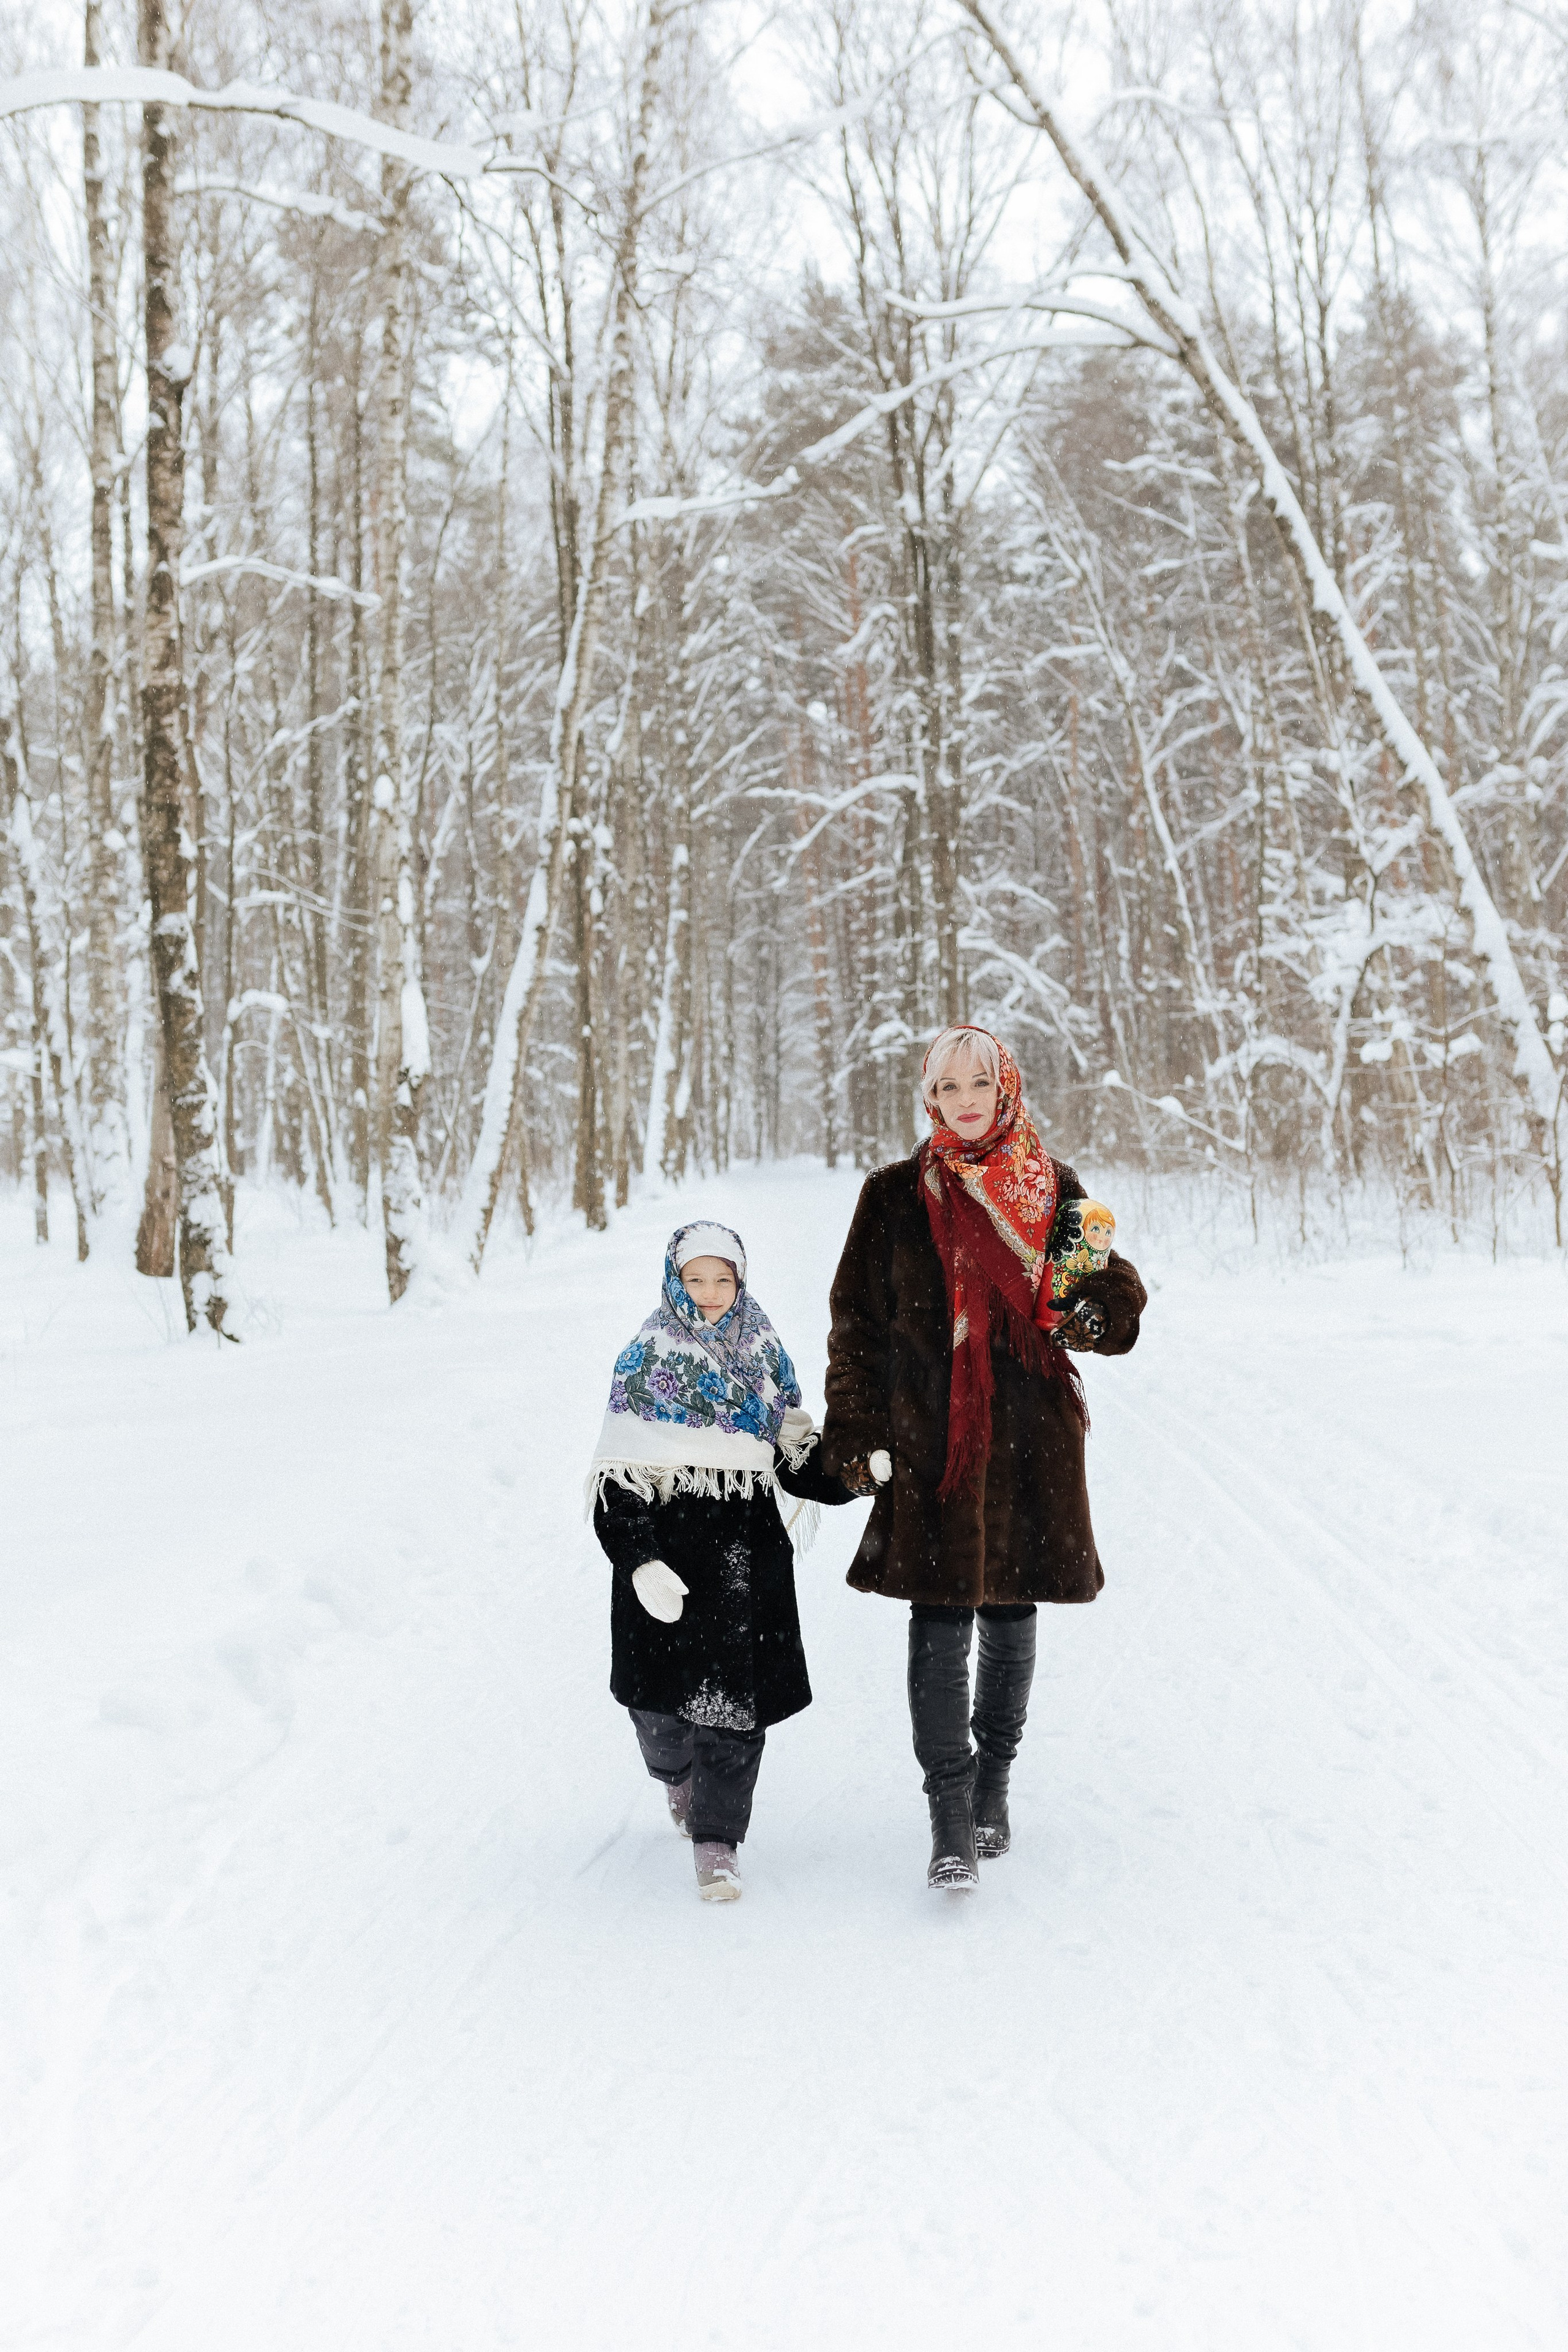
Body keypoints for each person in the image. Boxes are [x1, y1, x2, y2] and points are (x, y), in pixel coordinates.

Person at [820, 1027, 1148, 1891]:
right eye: (949, 1086)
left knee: (1007, 1618)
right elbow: (854, 1327)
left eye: (981, 1084)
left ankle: (995, 1783)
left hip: (1029, 1441)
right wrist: (855, 1433)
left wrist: (1092, 1315)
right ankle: (951, 1814)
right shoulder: (893, 1197)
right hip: (931, 1444)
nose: (966, 1100)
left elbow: (1114, 1288)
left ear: (1005, 1092)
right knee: (936, 1628)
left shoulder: (1050, 1187)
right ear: (930, 1097)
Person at [589, 1219, 853, 1902]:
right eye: (696, 1279)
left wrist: (852, 1474)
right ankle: (674, 1777)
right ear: (674, 1280)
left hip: (745, 1552)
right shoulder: (645, 1361)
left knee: (735, 1710)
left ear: (741, 1283)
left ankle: (718, 1842)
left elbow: (797, 1462)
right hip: (666, 1551)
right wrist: (640, 1561)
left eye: (723, 1280)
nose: (709, 1294)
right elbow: (617, 1484)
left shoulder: (764, 1357)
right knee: (658, 1709)